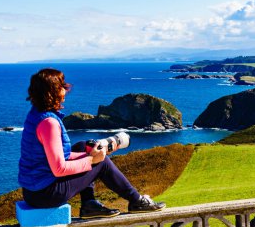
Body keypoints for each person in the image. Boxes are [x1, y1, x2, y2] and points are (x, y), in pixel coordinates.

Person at [18, 68, 165, 218]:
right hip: (46, 195)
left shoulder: (36, 115)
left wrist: (87, 154)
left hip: (34, 191)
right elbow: (59, 169)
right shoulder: (49, 123)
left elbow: (56, 158)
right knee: (101, 163)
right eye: (61, 86)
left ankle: (89, 204)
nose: (65, 89)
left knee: (83, 145)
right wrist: (92, 160)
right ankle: (137, 201)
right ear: (52, 92)